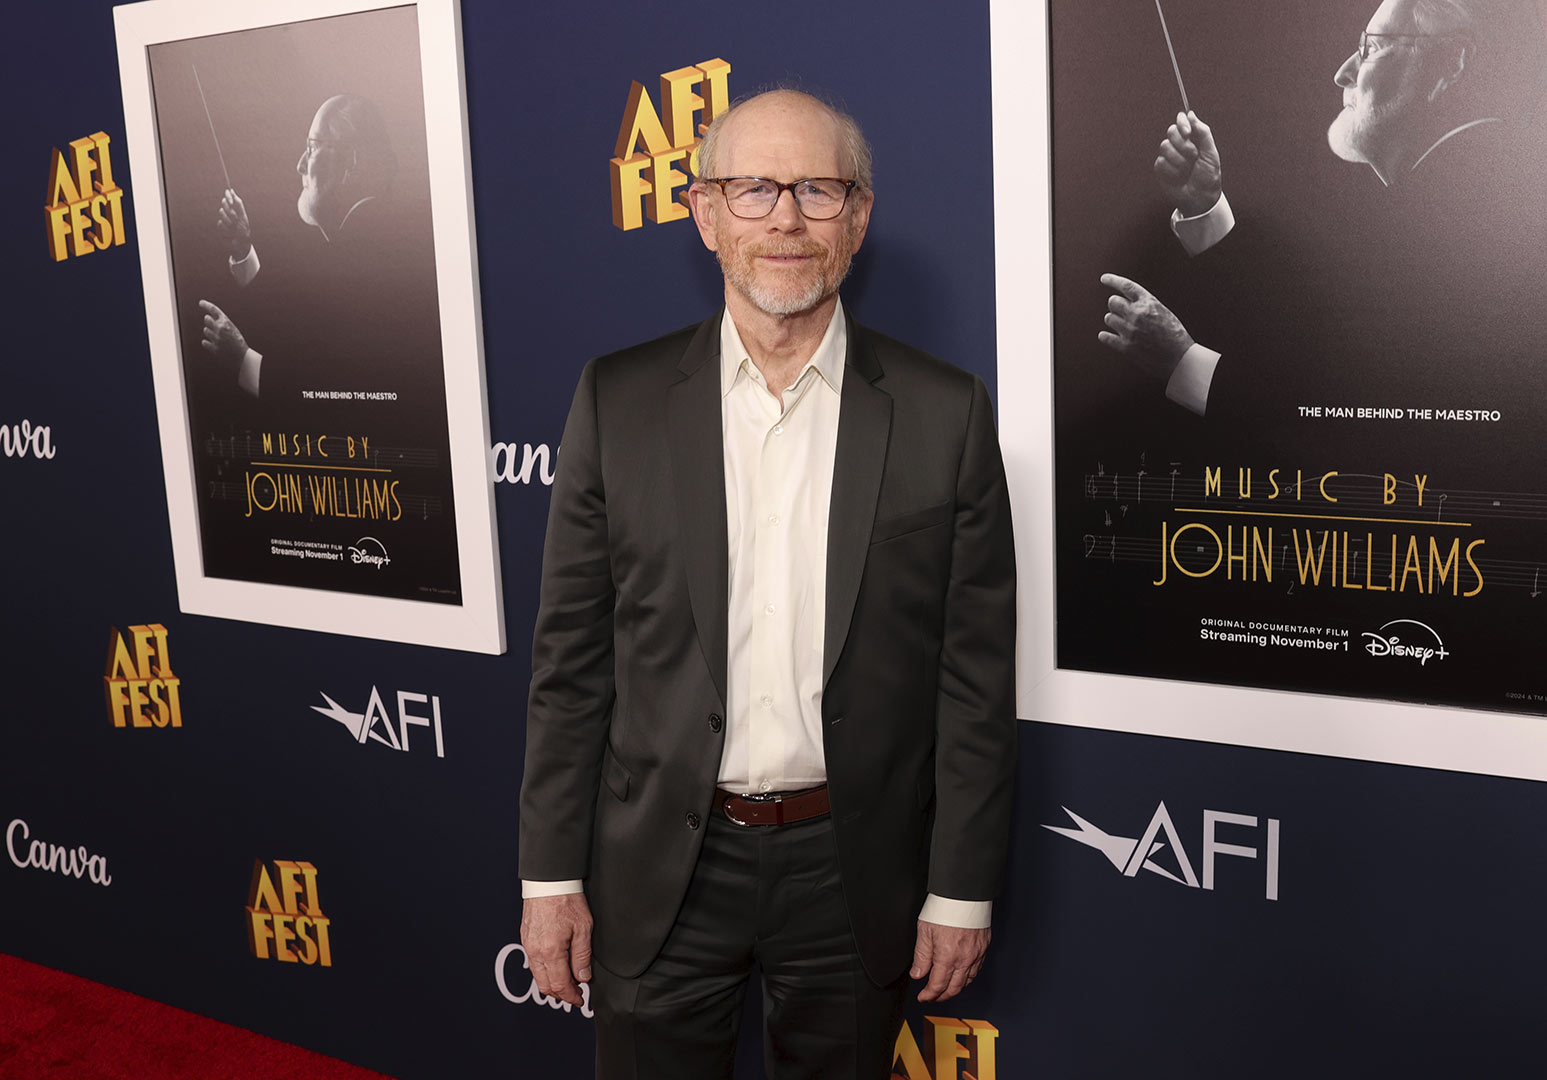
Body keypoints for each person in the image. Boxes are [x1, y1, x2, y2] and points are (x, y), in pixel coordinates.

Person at [518, 89, 1017, 1078]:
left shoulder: (942, 412)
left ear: (859, 217)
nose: (784, 218)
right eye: (753, 189)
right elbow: (569, 663)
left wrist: (958, 890)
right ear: (705, 215)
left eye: (816, 190)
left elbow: (972, 679)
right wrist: (548, 875)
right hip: (659, 863)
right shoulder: (615, 401)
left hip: (856, 870)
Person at [1099, 0, 1547, 422]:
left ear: (1452, 64)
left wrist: (1181, 362)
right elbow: (1300, 340)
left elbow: (1342, 410)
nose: (1342, 73)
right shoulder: (1438, 211)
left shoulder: (1465, 233)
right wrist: (1205, 204)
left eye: (1370, 47)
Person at [195, 94, 439, 412]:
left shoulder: (370, 258)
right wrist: (243, 247)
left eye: (312, 147)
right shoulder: (358, 244)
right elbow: (302, 326)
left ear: (353, 162)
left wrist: (242, 359)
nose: (300, 165)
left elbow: (333, 391)